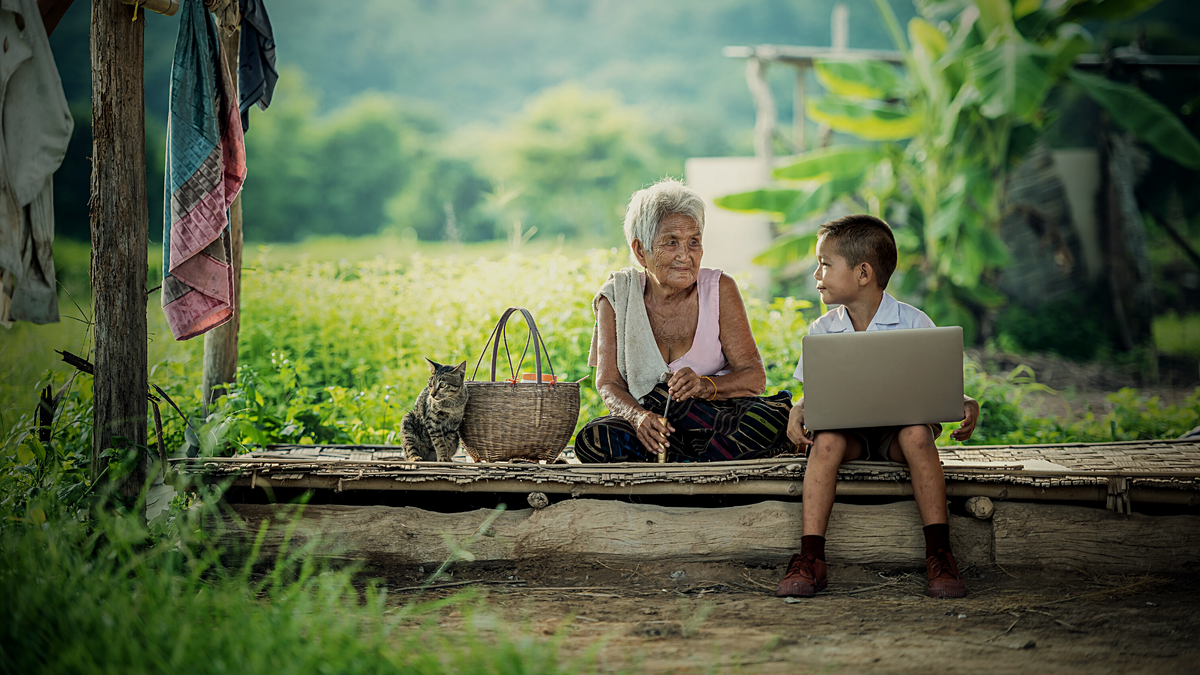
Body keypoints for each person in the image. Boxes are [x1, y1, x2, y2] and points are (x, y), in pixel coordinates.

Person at [775, 214, 980, 599]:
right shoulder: (822, 331)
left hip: (897, 437)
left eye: (824, 264)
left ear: (863, 273)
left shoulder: (914, 322)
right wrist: (800, 406)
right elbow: (813, 391)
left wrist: (963, 401)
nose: (816, 274)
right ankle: (810, 556)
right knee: (827, 442)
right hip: (847, 434)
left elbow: (936, 385)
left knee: (918, 434)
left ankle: (939, 554)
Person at [576, 178, 793, 463]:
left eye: (694, 242)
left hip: (714, 420)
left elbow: (754, 377)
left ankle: (677, 468)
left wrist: (705, 386)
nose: (685, 255)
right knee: (594, 439)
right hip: (654, 427)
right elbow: (608, 384)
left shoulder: (719, 289)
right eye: (671, 242)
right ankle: (701, 466)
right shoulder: (616, 297)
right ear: (641, 251)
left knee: (766, 420)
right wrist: (639, 417)